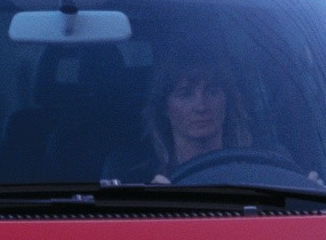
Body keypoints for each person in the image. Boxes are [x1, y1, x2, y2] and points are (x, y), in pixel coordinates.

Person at [102, 52, 255, 183]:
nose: (201, 106)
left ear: (227, 100)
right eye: (186, 94)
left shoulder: (257, 168)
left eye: (212, 92)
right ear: (164, 107)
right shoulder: (136, 178)